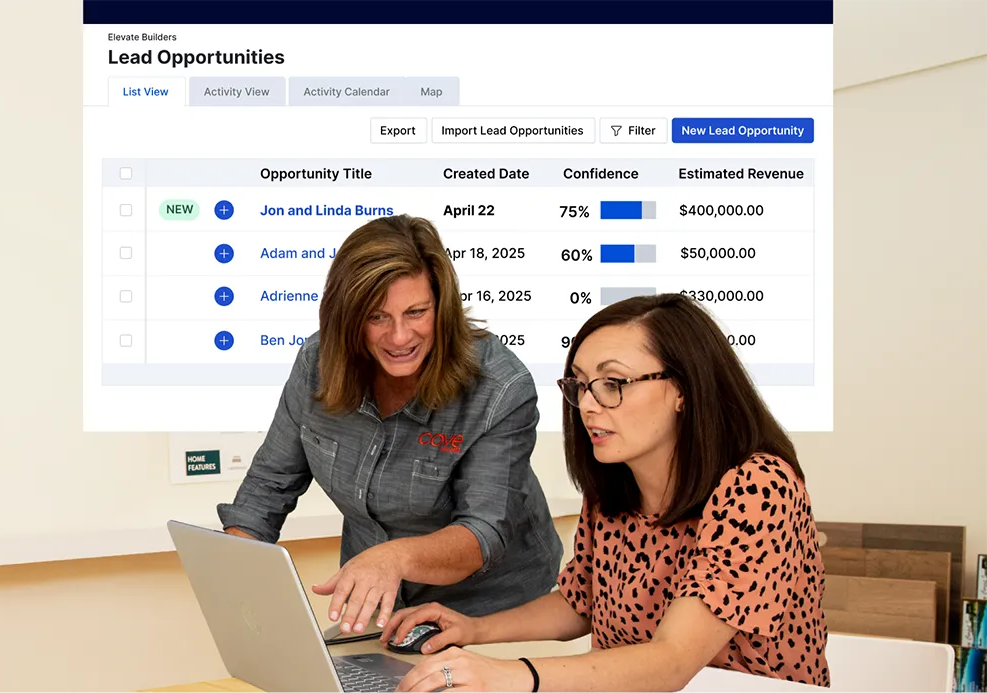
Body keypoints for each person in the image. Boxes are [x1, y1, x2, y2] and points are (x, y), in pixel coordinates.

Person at [382, 293, 831, 692]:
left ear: (683, 390)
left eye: (613, 384)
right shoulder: (614, 484)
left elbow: (672, 661)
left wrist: (510, 675)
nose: (588, 405)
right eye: (580, 385)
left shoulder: (759, 487)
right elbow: (579, 604)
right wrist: (473, 629)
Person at [217, 214, 564, 636]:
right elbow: (269, 486)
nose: (399, 337)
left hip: (493, 613)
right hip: (379, 604)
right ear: (348, 318)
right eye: (377, 317)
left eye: (416, 312)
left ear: (442, 308)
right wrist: (240, 577)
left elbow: (483, 532)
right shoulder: (318, 363)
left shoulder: (500, 387)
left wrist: (393, 558)